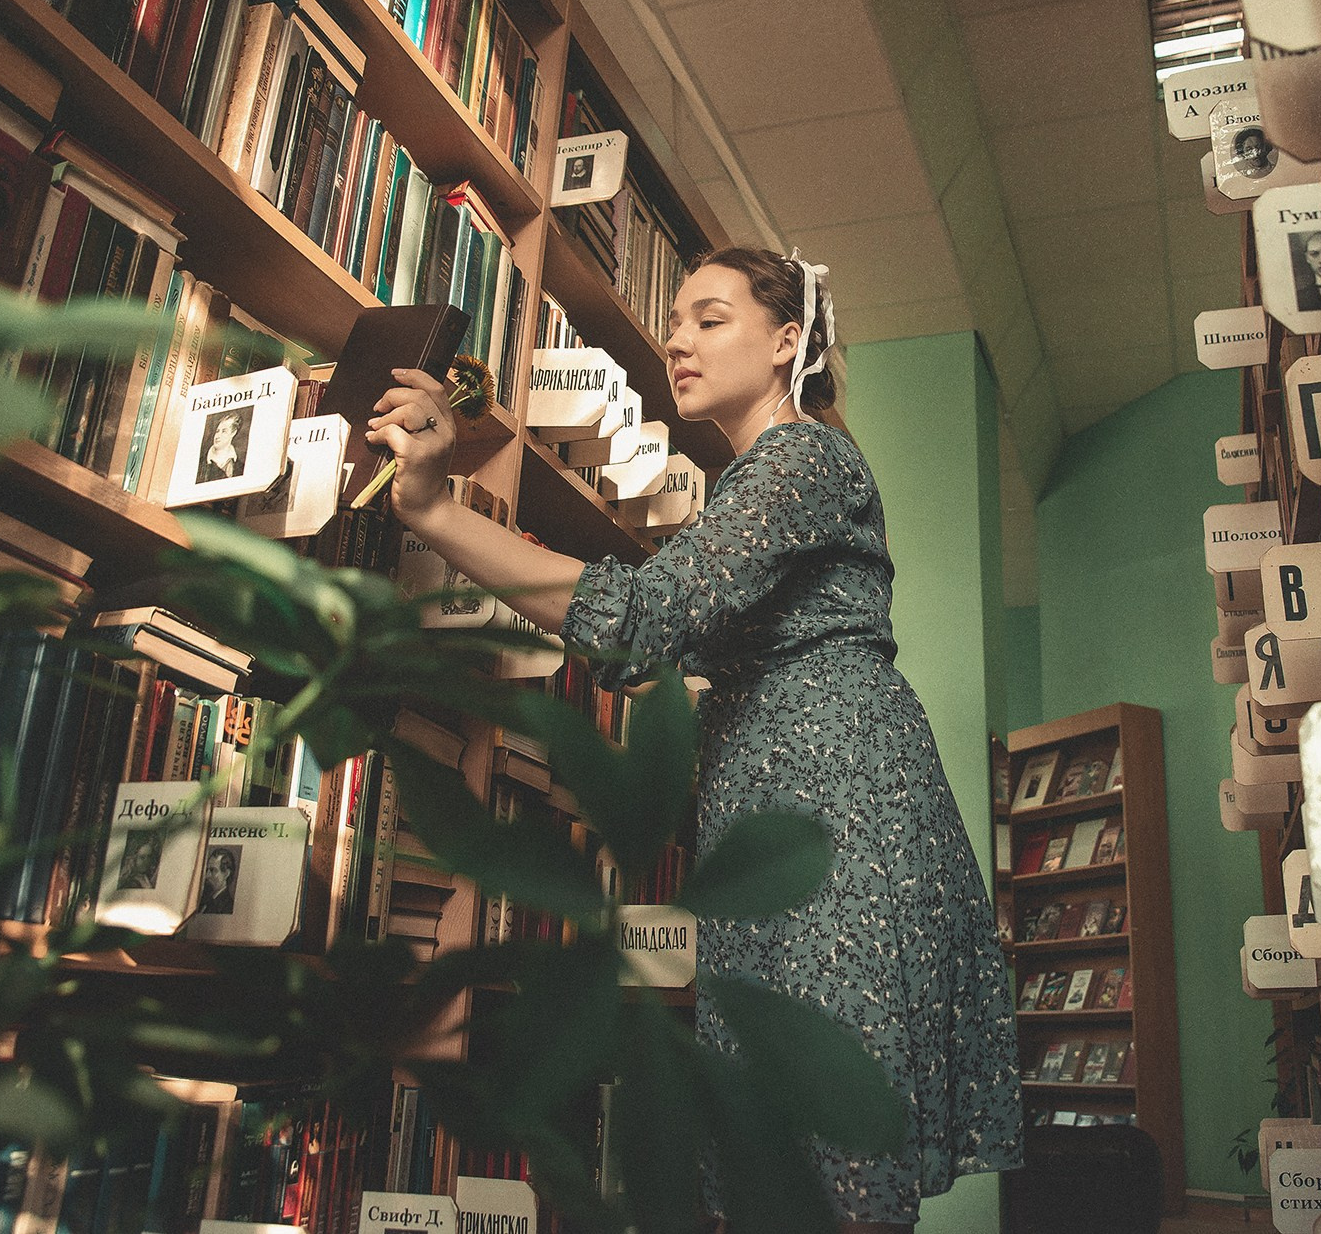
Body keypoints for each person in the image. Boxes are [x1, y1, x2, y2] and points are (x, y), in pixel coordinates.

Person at [368, 246, 1024, 1231]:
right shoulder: (752, 483)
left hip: (830, 820)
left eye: (709, 317)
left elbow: (638, 621)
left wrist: (433, 510)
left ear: (787, 342)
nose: (676, 338)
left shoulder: (801, 456)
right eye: (674, 319)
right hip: (778, 828)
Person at [199, 408, 248, 482]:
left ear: (233, 433)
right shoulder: (201, 464)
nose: (218, 436)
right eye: (217, 431)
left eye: (224, 431)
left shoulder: (240, 465)